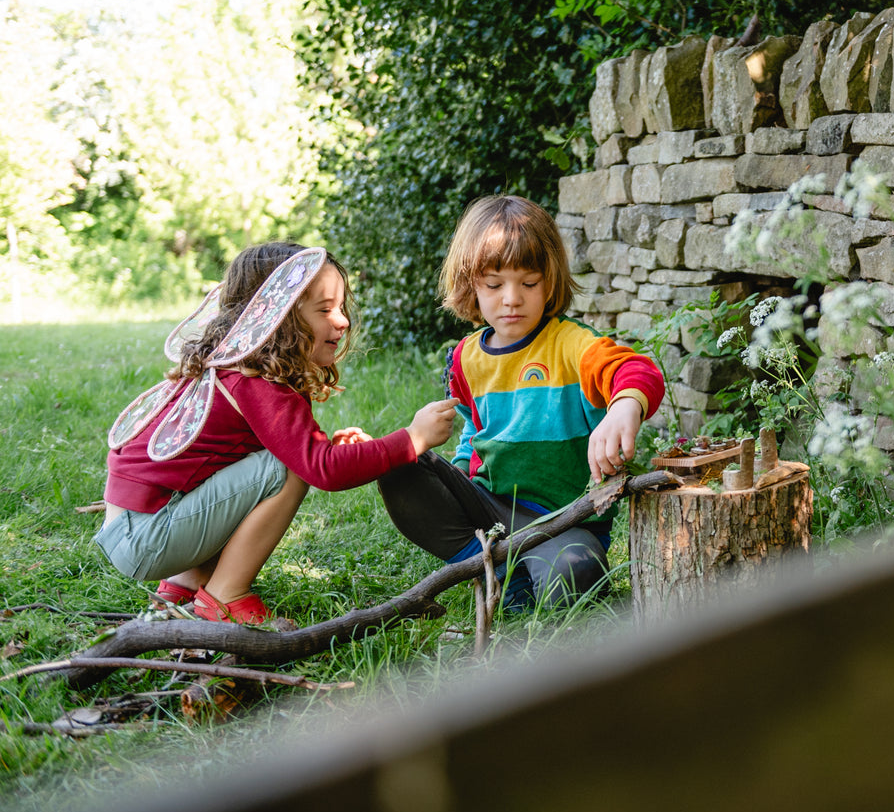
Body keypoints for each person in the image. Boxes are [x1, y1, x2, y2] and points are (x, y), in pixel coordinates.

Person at [97, 242, 456, 625]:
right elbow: (322, 469)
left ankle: (186, 582)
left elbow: (254, 457)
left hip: (135, 529)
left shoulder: (232, 365)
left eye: (340, 307)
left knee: (281, 461)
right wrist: (413, 438)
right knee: (286, 469)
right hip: (146, 538)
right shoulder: (256, 381)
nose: (342, 321)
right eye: (325, 310)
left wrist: (327, 449)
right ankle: (224, 596)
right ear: (279, 318)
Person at [379, 195, 664, 611]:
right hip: (490, 509)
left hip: (565, 523)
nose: (512, 298)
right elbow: (475, 430)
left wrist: (624, 407)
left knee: (576, 573)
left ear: (549, 282)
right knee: (397, 464)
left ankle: (515, 577)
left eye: (528, 283)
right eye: (495, 285)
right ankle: (497, 571)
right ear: (471, 284)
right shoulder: (465, 358)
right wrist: (456, 480)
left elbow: (637, 370)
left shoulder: (572, 344)